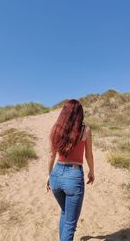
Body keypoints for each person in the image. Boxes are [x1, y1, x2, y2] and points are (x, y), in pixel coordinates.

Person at [46, 99, 95, 241]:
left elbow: (51, 155)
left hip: (56, 174)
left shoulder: (57, 129)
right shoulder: (85, 130)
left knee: (64, 212)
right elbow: (89, 155)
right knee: (70, 223)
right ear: (80, 114)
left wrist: (49, 175)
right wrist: (91, 172)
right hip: (73, 176)